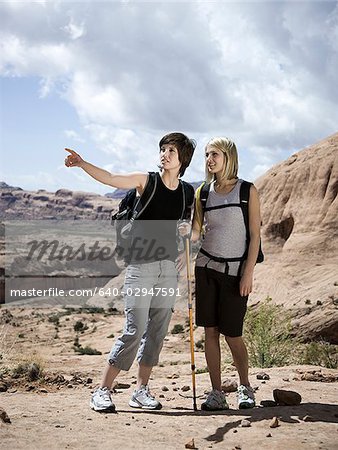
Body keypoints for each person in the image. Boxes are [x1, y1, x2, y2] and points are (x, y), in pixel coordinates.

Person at [64, 132, 195, 412]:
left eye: (171, 150)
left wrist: (187, 233)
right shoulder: (146, 181)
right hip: (141, 266)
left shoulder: (186, 192)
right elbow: (111, 178)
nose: (164, 154)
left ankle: (140, 391)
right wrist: (83, 163)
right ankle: (102, 391)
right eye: (162, 149)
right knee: (134, 329)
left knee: (157, 331)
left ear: (182, 159)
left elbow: (186, 228)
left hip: (167, 269)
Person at [190, 137, 261, 411]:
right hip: (206, 268)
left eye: (214, 154)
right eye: (207, 155)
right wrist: (187, 231)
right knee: (211, 332)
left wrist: (248, 273)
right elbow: (198, 231)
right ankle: (217, 392)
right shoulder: (202, 193)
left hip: (235, 272)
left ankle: (245, 386)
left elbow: (255, 236)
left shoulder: (247, 191)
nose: (209, 159)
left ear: (228, 156)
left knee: (233, 334)